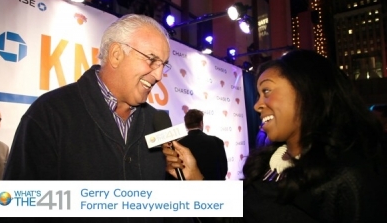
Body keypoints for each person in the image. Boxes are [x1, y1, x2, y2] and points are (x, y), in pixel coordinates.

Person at [0, 14, 192, 223]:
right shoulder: (50, 113)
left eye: (163, 65)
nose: (159, 75)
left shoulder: (156, 123)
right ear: (116, 55)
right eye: (152, 60)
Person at [163, 49, 387, 222]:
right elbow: (234, 214)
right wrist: (194, 178)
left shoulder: (348, 177)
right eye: (258, 94)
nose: (257, 105)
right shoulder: (267, 164)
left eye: (267, 92)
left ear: (307, 90)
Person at [177, 109, 227, 180]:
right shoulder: (217, 141)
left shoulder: (178, 144)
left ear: (186, 125)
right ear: (201, 123)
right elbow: (223, 169)